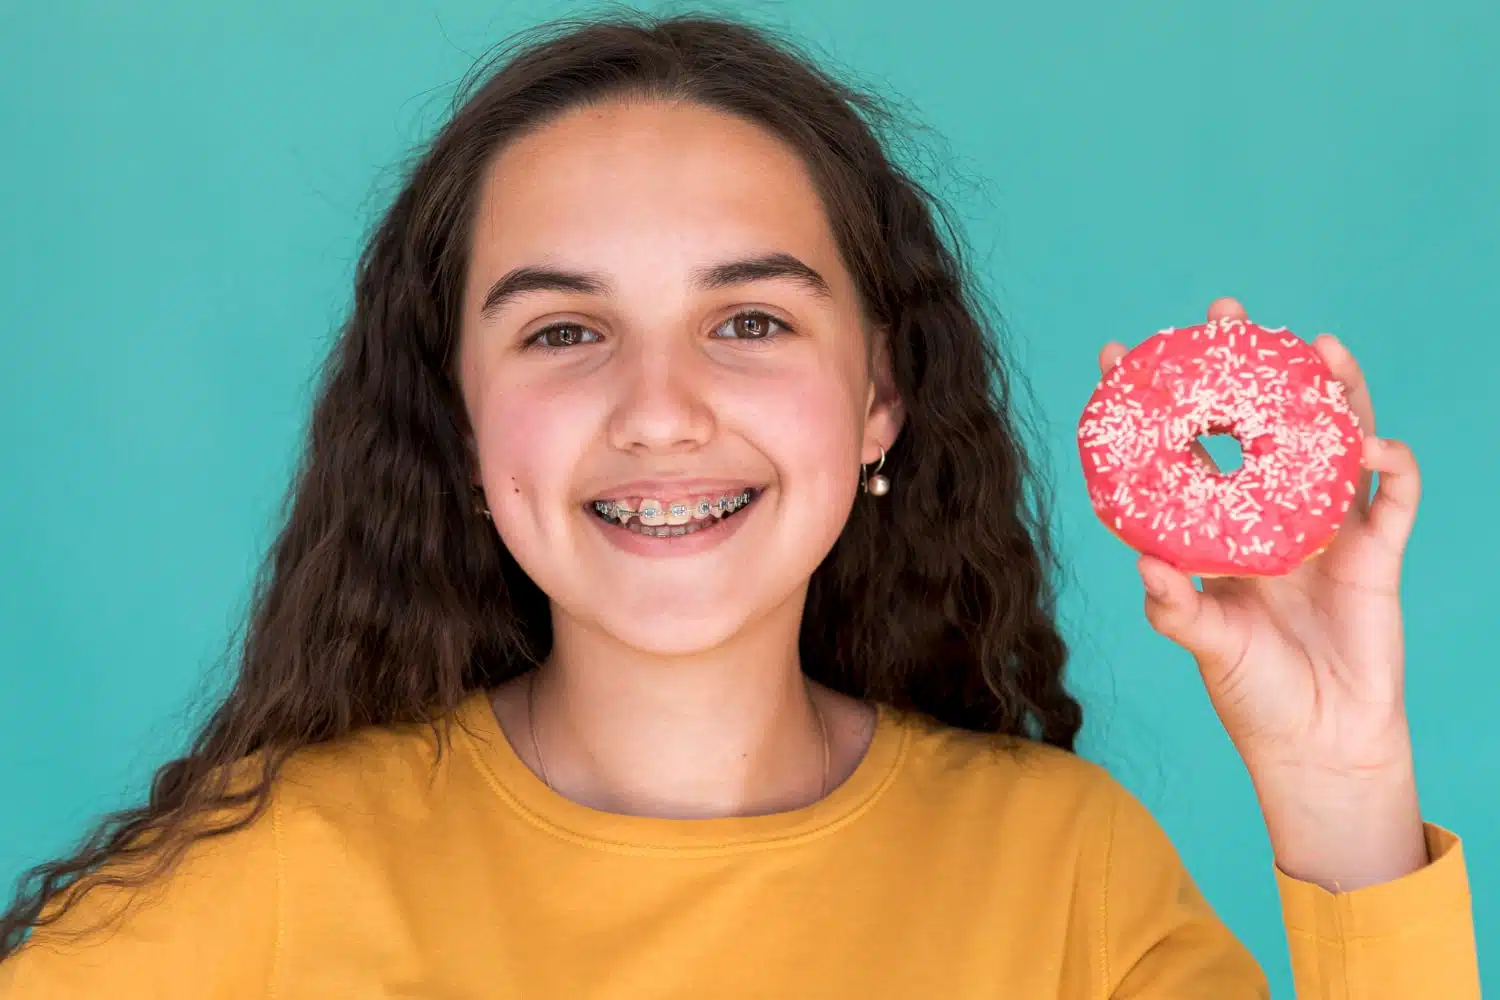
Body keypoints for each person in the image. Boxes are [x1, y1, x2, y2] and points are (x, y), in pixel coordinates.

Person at [0, 12, 1479, 998]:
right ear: (456, 422)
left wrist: (1340, 779)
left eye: (752, 321)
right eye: (563, 331)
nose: (659, 409)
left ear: (881, 397)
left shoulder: (1063, 875)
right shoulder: (263, 888)